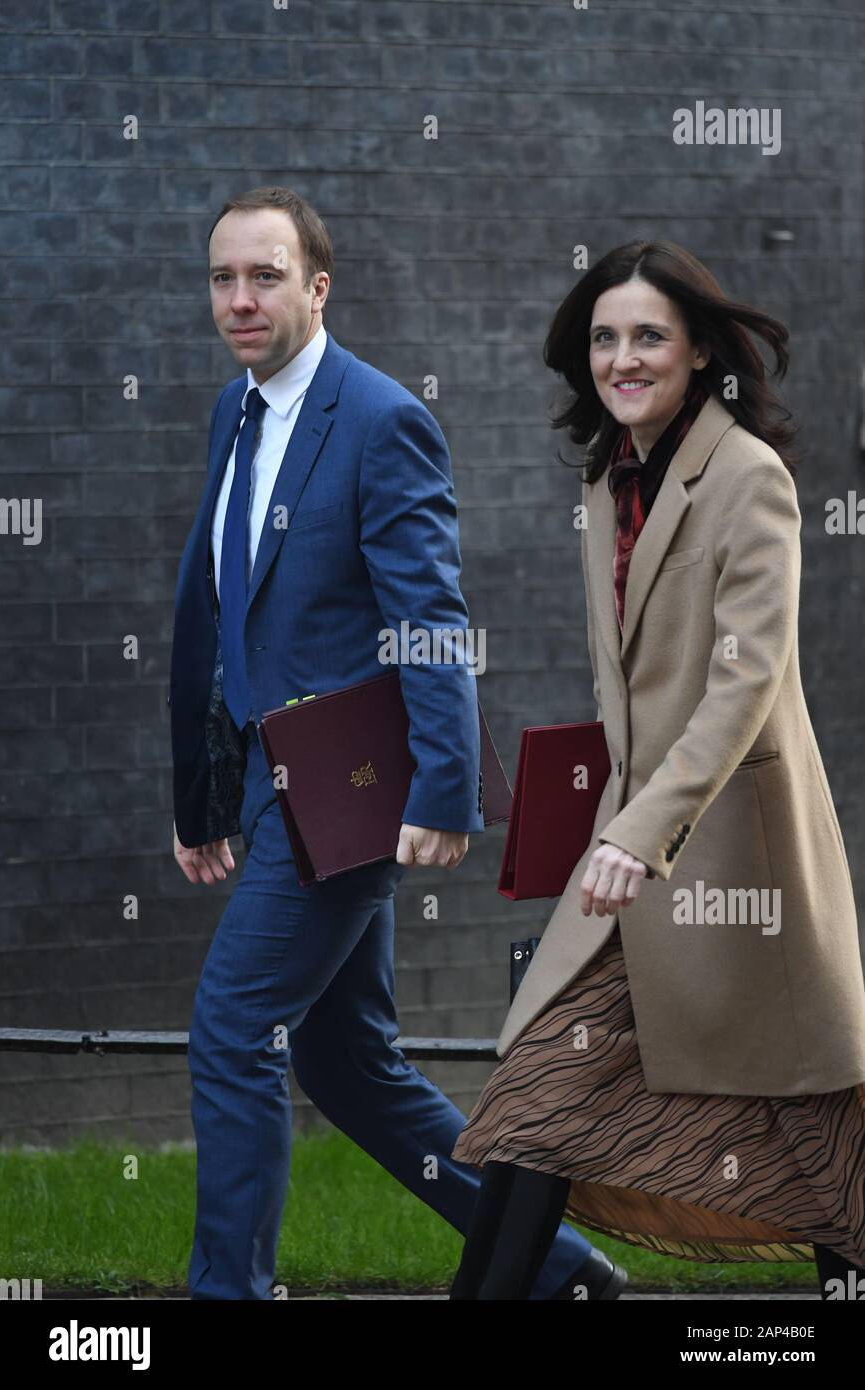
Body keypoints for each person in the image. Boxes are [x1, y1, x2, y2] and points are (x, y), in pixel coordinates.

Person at [168, 184, 610, 1300]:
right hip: (274, 791)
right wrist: (204, 795)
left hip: (355, 794)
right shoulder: (237, 411)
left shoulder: (377, 419)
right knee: (347, 1065)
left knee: (230, 1028)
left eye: (264, 275)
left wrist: (445, 789)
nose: (240, 298)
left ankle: (229, 1292)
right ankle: (559, 1273)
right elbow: (226, 615)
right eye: (223, 277)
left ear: (318, 287)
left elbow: (431, 617)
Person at [449, 240, 865, 1301]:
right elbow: (624, 686)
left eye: (646, 336)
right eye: (603, 337)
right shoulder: (606, 477)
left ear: (695, 354)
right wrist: (596, 811)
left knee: (820, 1142)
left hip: (736, 874)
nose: (621, 358)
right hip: (628, 879)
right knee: (538, 1096)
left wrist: (640, 829)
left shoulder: (746, 478)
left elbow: (744, 682)